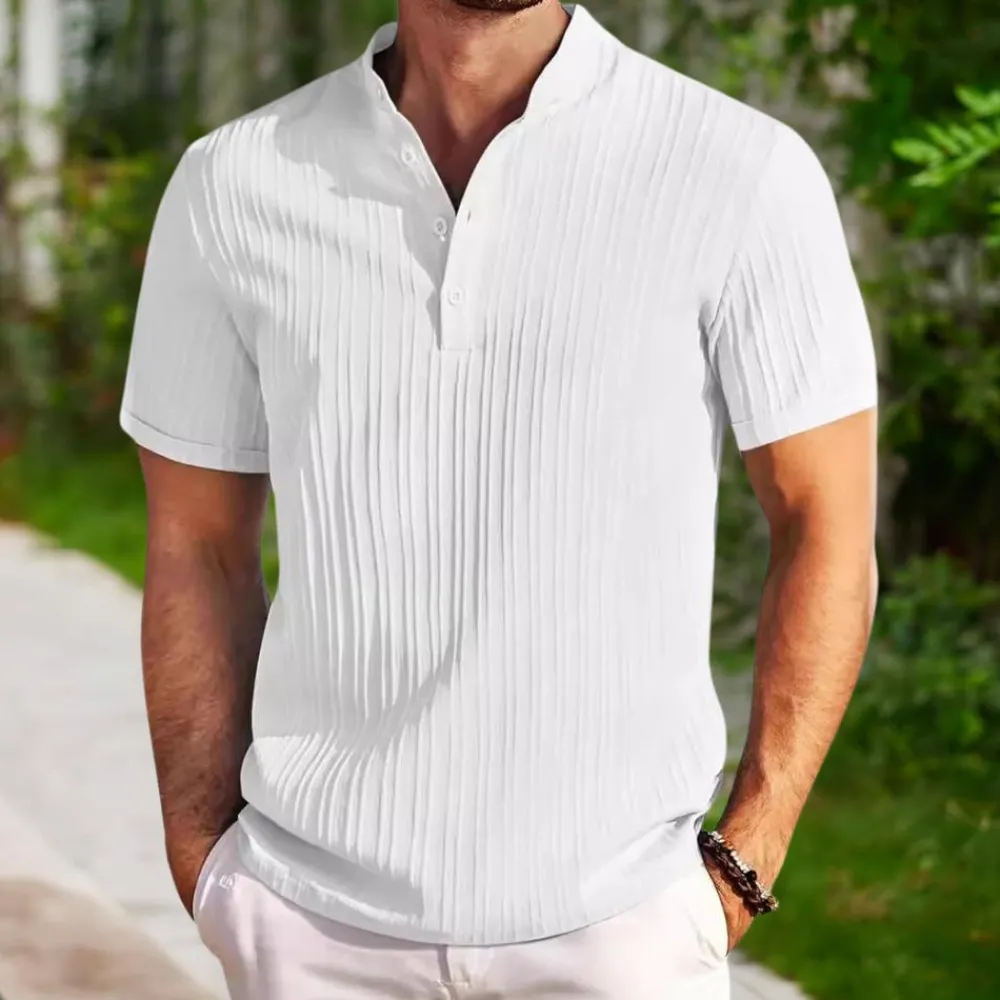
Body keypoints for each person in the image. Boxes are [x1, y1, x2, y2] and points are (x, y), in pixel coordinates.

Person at [120, 1, 879, 997]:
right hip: (307, 934)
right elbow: (197, 543)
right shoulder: (233, 183)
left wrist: (742, 862)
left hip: (623, 934)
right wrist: (207, 864)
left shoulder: (741, 172)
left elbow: (826, 523)